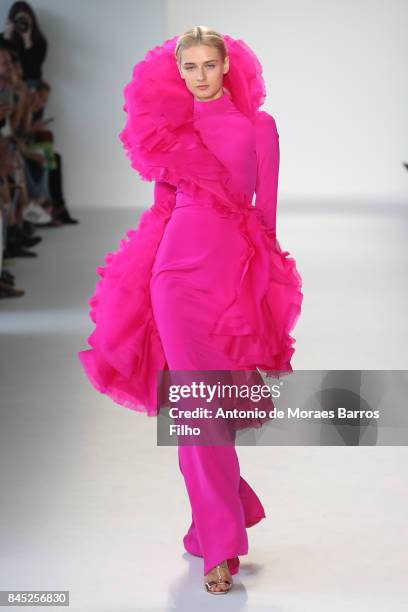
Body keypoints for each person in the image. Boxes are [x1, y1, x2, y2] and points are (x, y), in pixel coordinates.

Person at [78, 26, 303, 594]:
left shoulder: (261, 128)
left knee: (214, 408)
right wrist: (140, 285)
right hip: (174, 277)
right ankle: (219, 549)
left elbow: (267, 214)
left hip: (231, 275)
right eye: (191, 68)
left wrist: (265, 287)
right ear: (179, 73)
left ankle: (215, 518)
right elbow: (163, 209)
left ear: (228, 66)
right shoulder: (171, 131)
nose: (201, 76)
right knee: (195, 407)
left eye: (209, 65)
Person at [0, 1, 47, 86]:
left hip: (30, 82)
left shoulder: (40, 42)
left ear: (31, 21)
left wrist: (27, 41)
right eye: (19, 20)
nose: (22, 24)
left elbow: (33, 69)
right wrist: (6, 38)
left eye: (25, 20)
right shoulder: (3, 37)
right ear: (12, 20)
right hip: (7, 81)